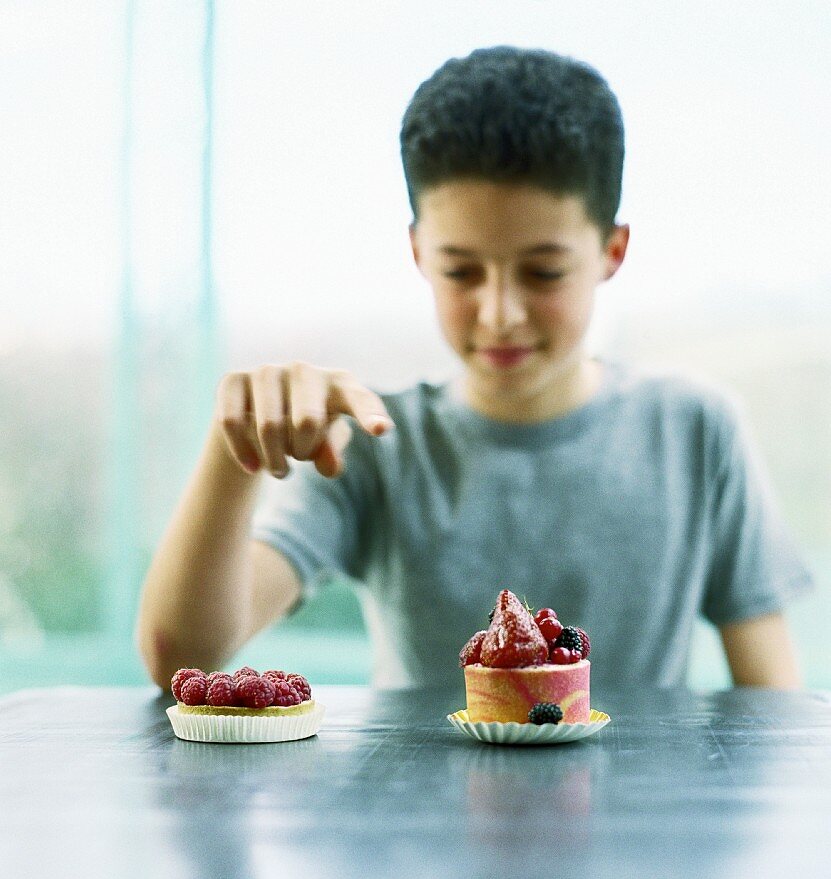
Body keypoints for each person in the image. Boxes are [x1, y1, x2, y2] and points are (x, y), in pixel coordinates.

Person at [137, 45, 812, 693]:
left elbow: (771, 706)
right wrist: (238, 455)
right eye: (460, 271)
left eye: (542, 271)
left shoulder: (694, 430)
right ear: (417, 253)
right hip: (423, 812)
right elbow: (184, 655)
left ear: (611, 251)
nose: (498, 314)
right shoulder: (375, 443)